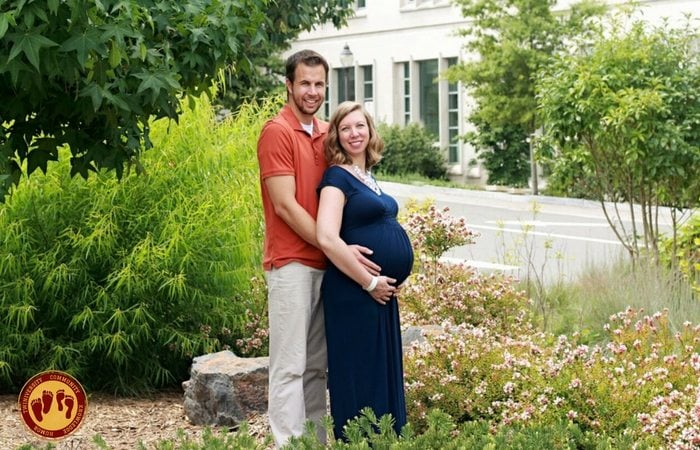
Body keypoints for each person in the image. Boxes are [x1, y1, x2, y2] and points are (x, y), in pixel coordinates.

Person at [257, 51, 380, 448]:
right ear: (289, 85)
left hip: (329, 268)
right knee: (289, 367)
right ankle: (287, 444)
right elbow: (286, 206)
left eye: (319, 84)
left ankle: (314, 443)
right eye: (305, 83)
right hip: (292, 263)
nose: (312, 91)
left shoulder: (328, 134)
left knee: (315, 369)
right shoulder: (276, 132)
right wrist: (336, 245)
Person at [316, 101, 414, 440]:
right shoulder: (336, 177)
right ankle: (360, 444)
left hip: (377, 295)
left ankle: (385, 444)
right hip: (355, 291)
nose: (354, 133)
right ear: (337, 137)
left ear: (370, 131)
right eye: (345, 128)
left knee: (380, 374)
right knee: (361, 375)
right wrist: (370, 280)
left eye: (360, 126)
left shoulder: (367, 177)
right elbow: (327, 237)